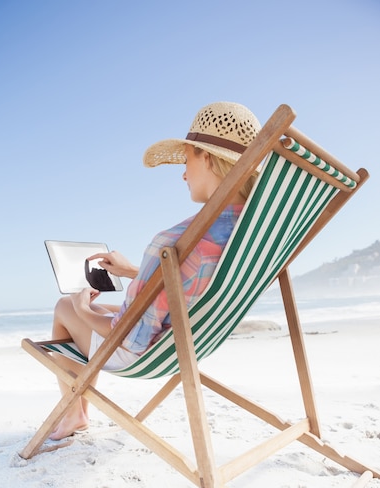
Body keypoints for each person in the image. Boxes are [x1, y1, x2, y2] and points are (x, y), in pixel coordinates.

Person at [50, 101, 261, 440]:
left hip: (151, 353)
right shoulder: (251, 231)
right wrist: (137, 271)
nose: (183, 174)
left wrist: (81, 308)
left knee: (63, 307)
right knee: (100, 308)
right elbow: (196, 280)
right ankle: (76, 413)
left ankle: (74, 413)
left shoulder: (172, 241)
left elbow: (130, 339)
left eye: (187, 161)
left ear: (206, 157)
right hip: (196, 341)